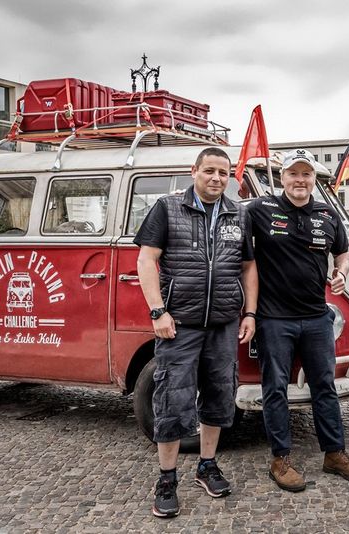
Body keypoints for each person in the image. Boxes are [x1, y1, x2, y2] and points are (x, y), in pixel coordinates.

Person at [135, 146, 258, 518]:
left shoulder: (239, 214)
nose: (217, 178)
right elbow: (146, 258)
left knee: (220, 398)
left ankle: (207, 465)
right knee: (173, 400)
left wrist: (249, 313)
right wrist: (158, 310)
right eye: (210, 171)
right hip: (180, 326)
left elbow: (248, 267)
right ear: (194, 171)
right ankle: (167, 478)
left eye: (224, 172)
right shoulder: (167, 208)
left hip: (223, 324)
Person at [249, 149, 349, 492]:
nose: (300, 180)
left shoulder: (326, 213)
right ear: (283, 178)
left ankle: (334, 454)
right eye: (293, 174)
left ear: (313, 180)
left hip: (317, 317)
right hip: (274, 319)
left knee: (325, 388)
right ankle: (280, 459)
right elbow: (243, 256)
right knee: (274, 390)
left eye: (306, 175)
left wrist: (341, 271)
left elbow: (343, 252)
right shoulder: (261, 210)